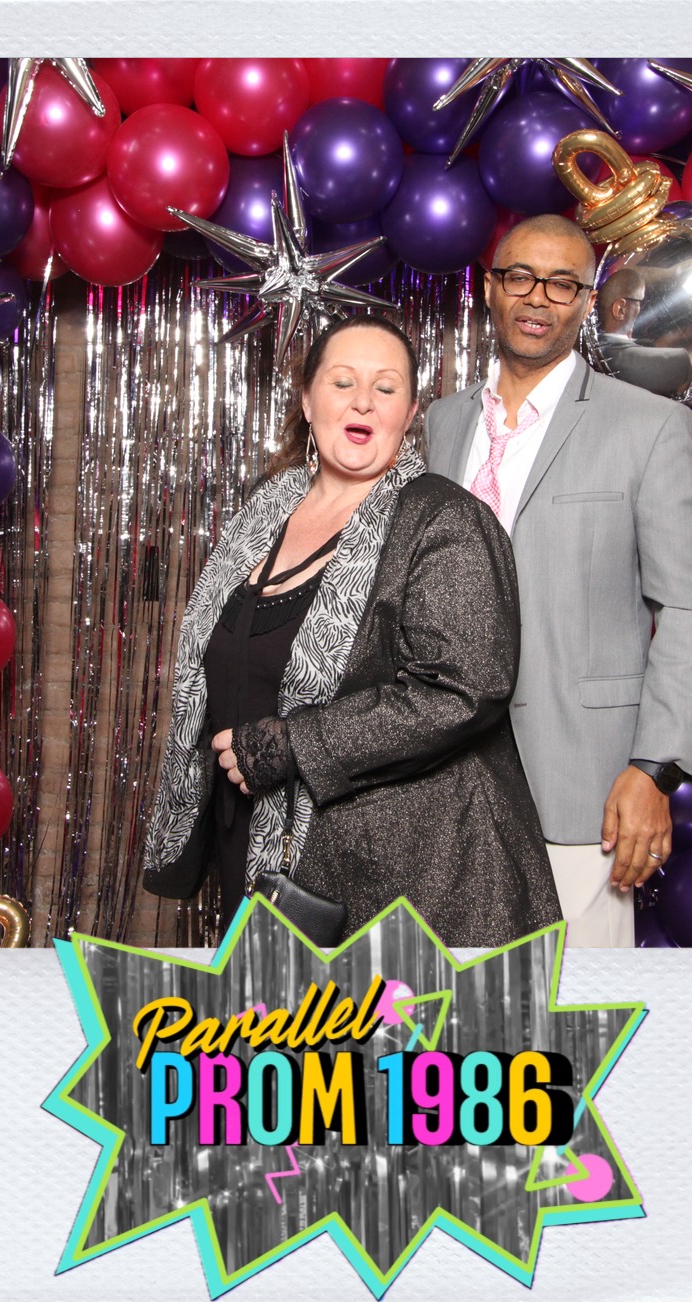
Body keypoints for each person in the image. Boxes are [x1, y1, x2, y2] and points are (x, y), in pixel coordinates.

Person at [143, 315, 562, 947]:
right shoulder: (268, 507)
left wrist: (290, 745)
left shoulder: (444, 521)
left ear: (409, 413)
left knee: (357, 1018)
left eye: (385, 388)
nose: (363, 400)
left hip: (400, 871)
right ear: (308, 400)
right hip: (256, 839)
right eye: (343, 382)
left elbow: (464, 690)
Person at [425, 215, 692, 948]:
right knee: (452, 1003)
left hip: (580, 781)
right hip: (440, 784)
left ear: (589, 302)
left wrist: (653, 769)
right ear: (489, 289)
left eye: (563, 284)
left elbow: (691, 609)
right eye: (520, 276)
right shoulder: (442, 422)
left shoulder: (649, 426)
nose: (539, 297)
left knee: (572, 1006)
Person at [595, 268, 692, 397]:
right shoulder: (677, 362)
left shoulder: (586, 352)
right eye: (641, 301)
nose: (642, 308)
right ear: (620, 309)